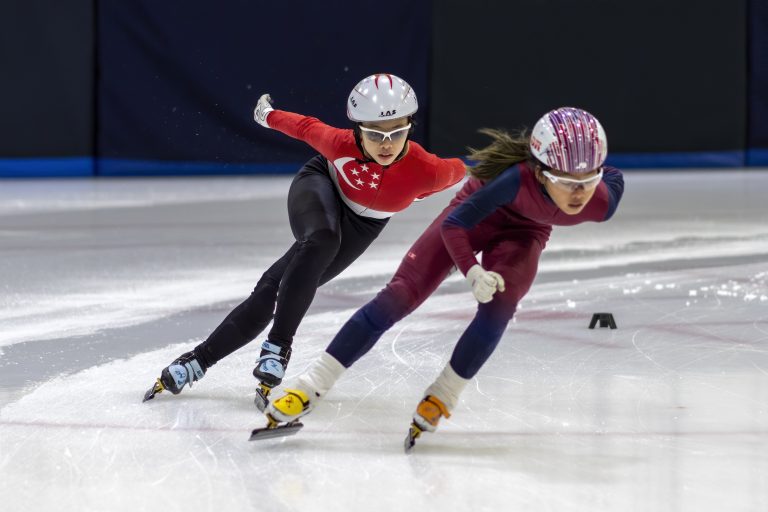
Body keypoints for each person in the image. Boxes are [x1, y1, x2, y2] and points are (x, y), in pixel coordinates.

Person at [261, 107, 625, 448]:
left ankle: (443, 395)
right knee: (399, 296)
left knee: (500, 306)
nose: (579, 192)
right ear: (541, 171)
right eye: (565, 179)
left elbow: (613, 176)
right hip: (472, 217)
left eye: (588, 178)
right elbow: (455, 225)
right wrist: (472, 270)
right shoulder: (514, 180)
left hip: (526, 234)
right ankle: (310, 388)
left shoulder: (602, 202)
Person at [143, 74, 467, 408]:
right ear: (358, 130)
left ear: (410, 128)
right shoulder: (339, 143)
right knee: (323, 239)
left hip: (364, 226)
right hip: (321, 185)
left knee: (276, 286)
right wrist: (266, 115)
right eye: (374, 134)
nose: (386, 143)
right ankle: (279, 346)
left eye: (396, 133)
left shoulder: (431, 170)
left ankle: (196, 361)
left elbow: (472, 177)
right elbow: (304, 126)